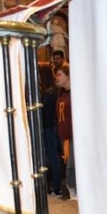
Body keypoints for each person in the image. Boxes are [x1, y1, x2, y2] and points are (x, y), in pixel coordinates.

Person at [40, 63, 63, 198]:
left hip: (49, 127)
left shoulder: (49, 92)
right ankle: (55, 185)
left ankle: (56, 186)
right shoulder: (53, 90)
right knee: (53, 156)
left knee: (53, 157)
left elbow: (44, 112)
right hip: (51, 125)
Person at [56, 65, 77, 200]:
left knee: (72, 166)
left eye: (59, 74)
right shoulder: (61, 94)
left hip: (74, 135)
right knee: (69, 164)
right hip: (65, 135)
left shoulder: (75, 93)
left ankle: (75, 191)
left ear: (68, 75)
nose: (56, 77)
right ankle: (72, 192)